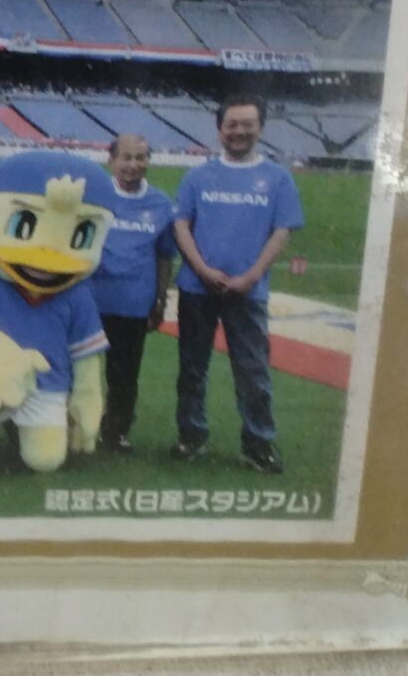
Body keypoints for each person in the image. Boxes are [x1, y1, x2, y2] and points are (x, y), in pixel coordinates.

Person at [171, 95, 306, 473]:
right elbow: (181, 225)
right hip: (197, 289)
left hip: (248, 291)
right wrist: (201, 269)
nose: (239, 131)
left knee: (252, 370)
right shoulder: (198, 176)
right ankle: (191, 436)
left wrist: (251, 276)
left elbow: (282, 231)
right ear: (220, 130)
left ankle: (258, 443)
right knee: (192, 368)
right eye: (232, 124)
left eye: (248, 124)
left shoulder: (278, 178)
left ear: (260, 128)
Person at [90, 128, 176, 453]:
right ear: (111, 160)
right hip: (91, 300)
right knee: (77, 367)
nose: (133, 165)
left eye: (140, 158)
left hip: (133, 303)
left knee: (124, 373)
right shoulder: (94, 195)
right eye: (126, 157)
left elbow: (165, 255)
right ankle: (70, 426)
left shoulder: (161, 204)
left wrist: (161, 298)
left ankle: (116, 431)